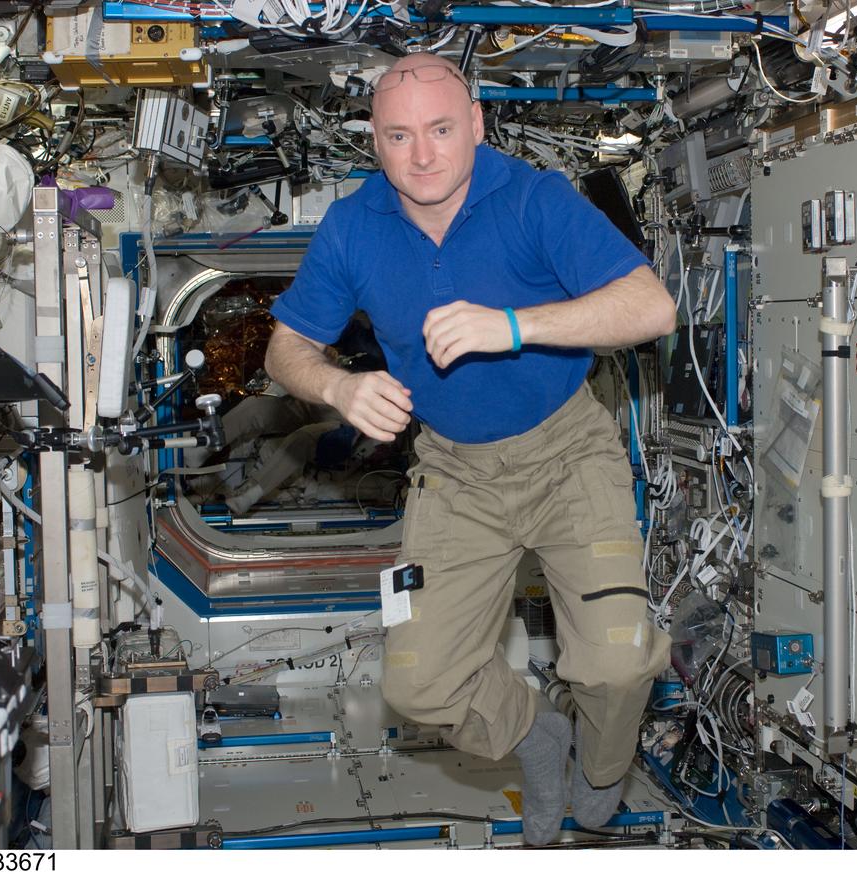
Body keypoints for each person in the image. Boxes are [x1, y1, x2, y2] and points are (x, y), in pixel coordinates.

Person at [263, 52, 674, 846]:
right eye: (399, 136)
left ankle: (600, 767)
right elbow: (286, 349)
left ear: (477, 125)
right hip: (453, 471)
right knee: (419, 685)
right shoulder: (352, 227)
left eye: (442, 129)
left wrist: (513, 325)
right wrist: (339, 387)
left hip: (568, 454)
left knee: (617, 664)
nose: (422, 155)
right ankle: (537, 735)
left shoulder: (533, 199)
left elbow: (651, 307)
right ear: (374, 141)